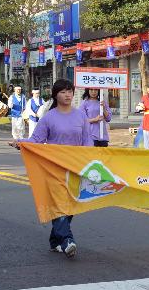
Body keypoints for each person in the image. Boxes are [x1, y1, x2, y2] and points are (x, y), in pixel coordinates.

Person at [10, 78, 92, 259]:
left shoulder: (81, 116)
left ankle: (55, 241)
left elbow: (88, 141)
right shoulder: (49, 117)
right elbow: (36, 140)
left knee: (70, 206)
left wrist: (89, 159)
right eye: (63, 92)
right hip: (54, 168)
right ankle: (67, 241)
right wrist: (20, 143)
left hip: (75, 167)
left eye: (70, 91)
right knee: (60, 205)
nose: (68, 94)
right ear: (56, 95)